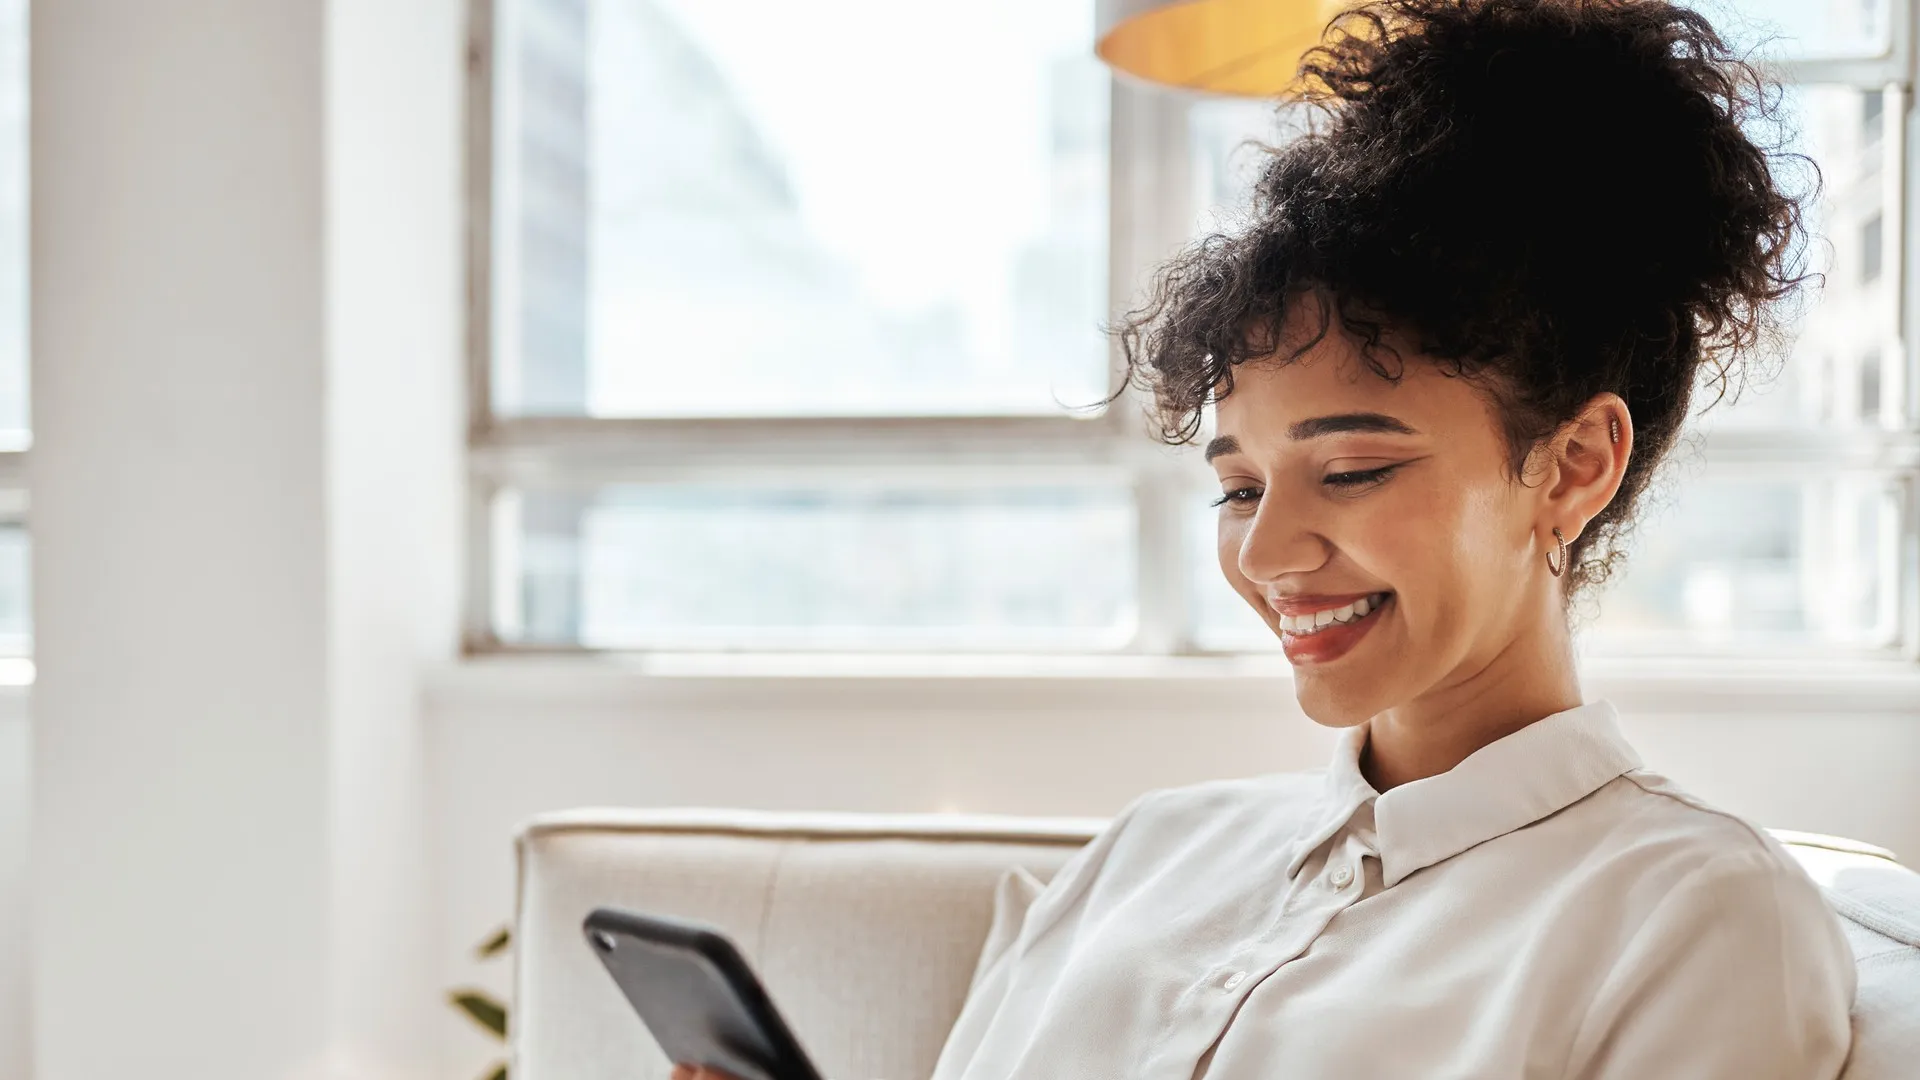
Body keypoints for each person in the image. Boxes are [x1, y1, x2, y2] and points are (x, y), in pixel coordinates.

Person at [677, 0, 1857, 1076]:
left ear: (1575, 464)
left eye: (1351, 471)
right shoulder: (1149, 852)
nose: (1265, 553)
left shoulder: (1694, 916)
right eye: (1239, 488)